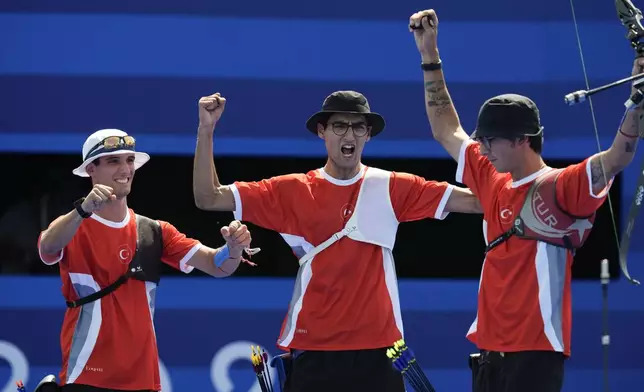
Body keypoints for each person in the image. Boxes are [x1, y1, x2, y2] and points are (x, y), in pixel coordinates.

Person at [409, 9, 643, 392]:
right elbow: (446, 129)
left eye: (490, 140)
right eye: (481, 139)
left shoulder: (562, 186)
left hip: (535, 353)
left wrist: (636, 103)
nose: (479, 147)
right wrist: (429, 54)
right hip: (488, 350)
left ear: (522, 140)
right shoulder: (491, 174)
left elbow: (618, 157)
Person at [192, 90, 482, 391]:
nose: (350, 135)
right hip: (314, 352)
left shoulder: (392, 187)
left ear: (368, 135)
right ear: (322, 131)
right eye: (339, 126)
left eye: (358, 127)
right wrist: (206, 128)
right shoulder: (292, 191)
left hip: (380, 354)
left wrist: (486, 159)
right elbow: (208, 197)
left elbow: (477, 202)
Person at [37, 128, 258, 392]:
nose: (125, 169)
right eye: (113, 161)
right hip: (87, 376)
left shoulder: (154, 231)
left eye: (129, 160)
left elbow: (217, 265)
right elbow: (47, 248)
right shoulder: (73, 226)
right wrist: (81, 210)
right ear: (90, 169)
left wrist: (232, 248)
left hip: (144, 381)